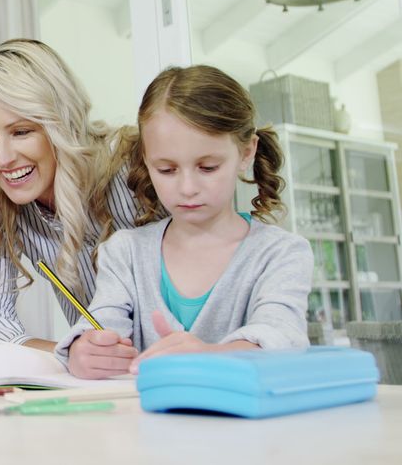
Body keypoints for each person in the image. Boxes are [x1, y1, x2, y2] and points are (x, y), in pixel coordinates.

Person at [55, 65, 313, 379]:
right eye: (166, 170)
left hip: (249, 426)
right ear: (146, 161)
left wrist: (212, 356)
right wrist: (84, 350)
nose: (187, 187)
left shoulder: (281, 253)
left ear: (246, 152)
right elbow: (101, 323)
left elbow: (282, 338)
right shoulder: (125, 252)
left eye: (207, 167)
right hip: (150, 425)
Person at [0, 38, 142, 351]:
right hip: (110, 385)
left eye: (21, 131)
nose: (2, 158)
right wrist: (72, 353)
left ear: (60, 122)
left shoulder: (131, 174)